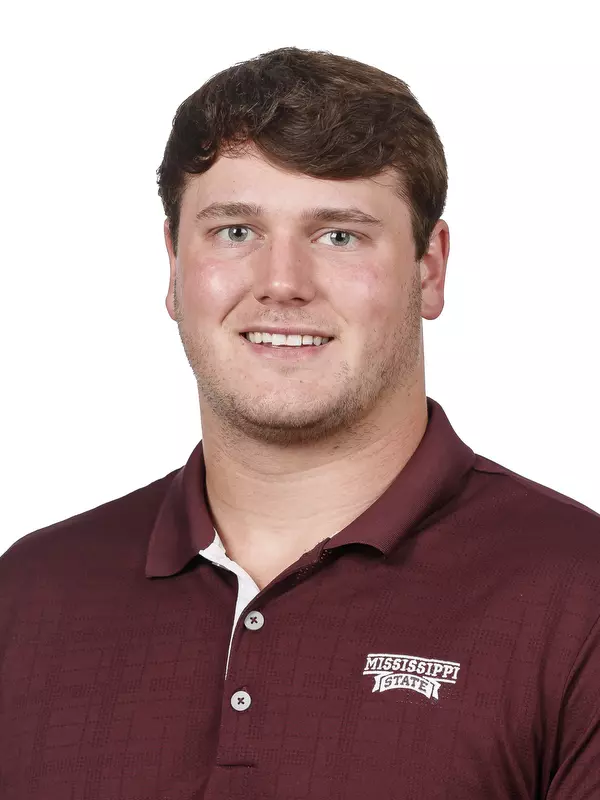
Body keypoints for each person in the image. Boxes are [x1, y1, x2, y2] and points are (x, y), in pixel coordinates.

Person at [1, 46, 599, 800]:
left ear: (430, 268)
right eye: (235, 232)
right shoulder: (29, 594)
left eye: (339, 235)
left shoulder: (579, 600)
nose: (282, 283)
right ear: (174, 267)